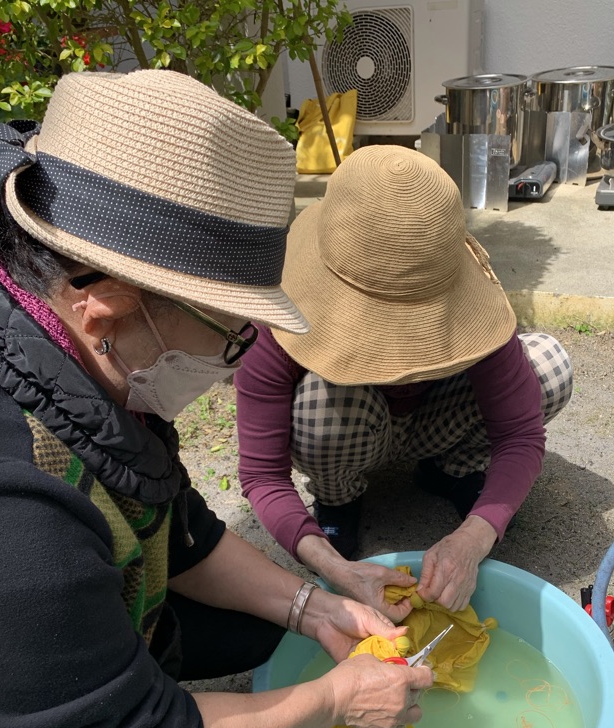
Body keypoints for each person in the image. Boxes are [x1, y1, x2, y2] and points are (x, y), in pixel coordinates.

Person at [0, 71, 432, 728]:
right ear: (106, 303)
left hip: (31, 658)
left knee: (259, 627)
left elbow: (180, 527)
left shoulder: (44, 336)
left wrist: (315, 608)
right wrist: (335, 700)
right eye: (232, 330)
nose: (239, 356)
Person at [235, 145, 573, 622]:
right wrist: (334, 568)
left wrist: (475, 536)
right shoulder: (278, 323)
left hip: (436, 421)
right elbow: (262, 474)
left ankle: (451, 470)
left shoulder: (475, 310)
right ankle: (338, 497)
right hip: (351, 426)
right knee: (318, 404)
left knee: (549, 367)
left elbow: (519, 433)